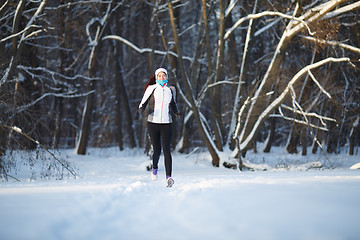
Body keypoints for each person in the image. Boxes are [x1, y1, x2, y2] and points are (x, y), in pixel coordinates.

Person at [138, 67, 180, 187]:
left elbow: (173, 103)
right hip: (153, 122)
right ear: (156, 77)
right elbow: (144, 101)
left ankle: (169, 177)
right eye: (159, 76)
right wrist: (141, 109)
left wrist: (177, 113)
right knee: (157, 149)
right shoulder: (151, 89)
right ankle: (154, 168)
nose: (162, 78)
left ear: (167, 77)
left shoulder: (170, 90)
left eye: (164, 76)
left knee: (167, 150)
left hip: (167, 123)